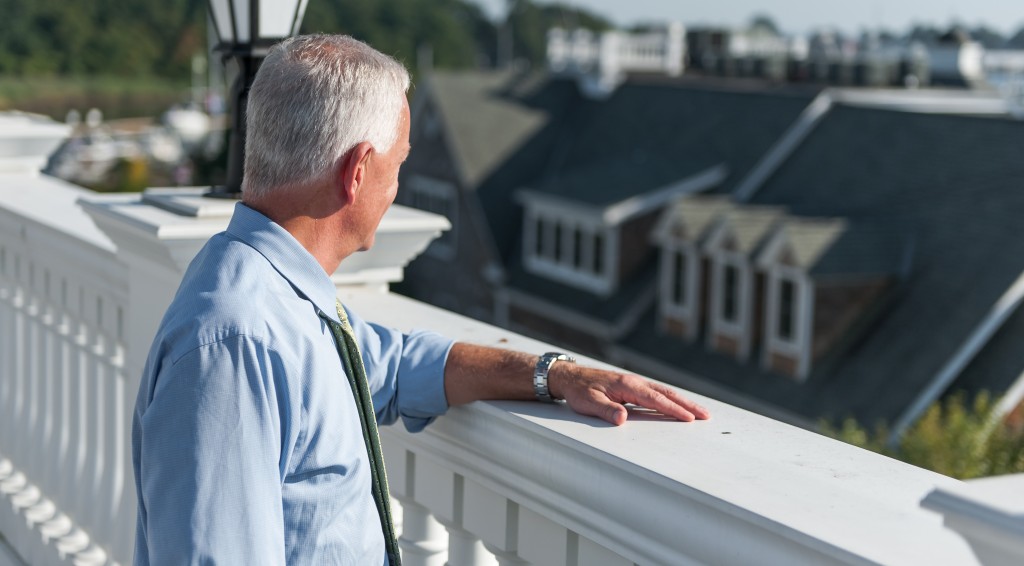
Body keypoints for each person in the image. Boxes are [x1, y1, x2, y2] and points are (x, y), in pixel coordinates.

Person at [131, 34, 710, 566]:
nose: (398, 187)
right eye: (399, 163)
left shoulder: (278, 295)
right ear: (358, 171)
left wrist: (552, 374)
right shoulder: (236, 342)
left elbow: (397, 364)